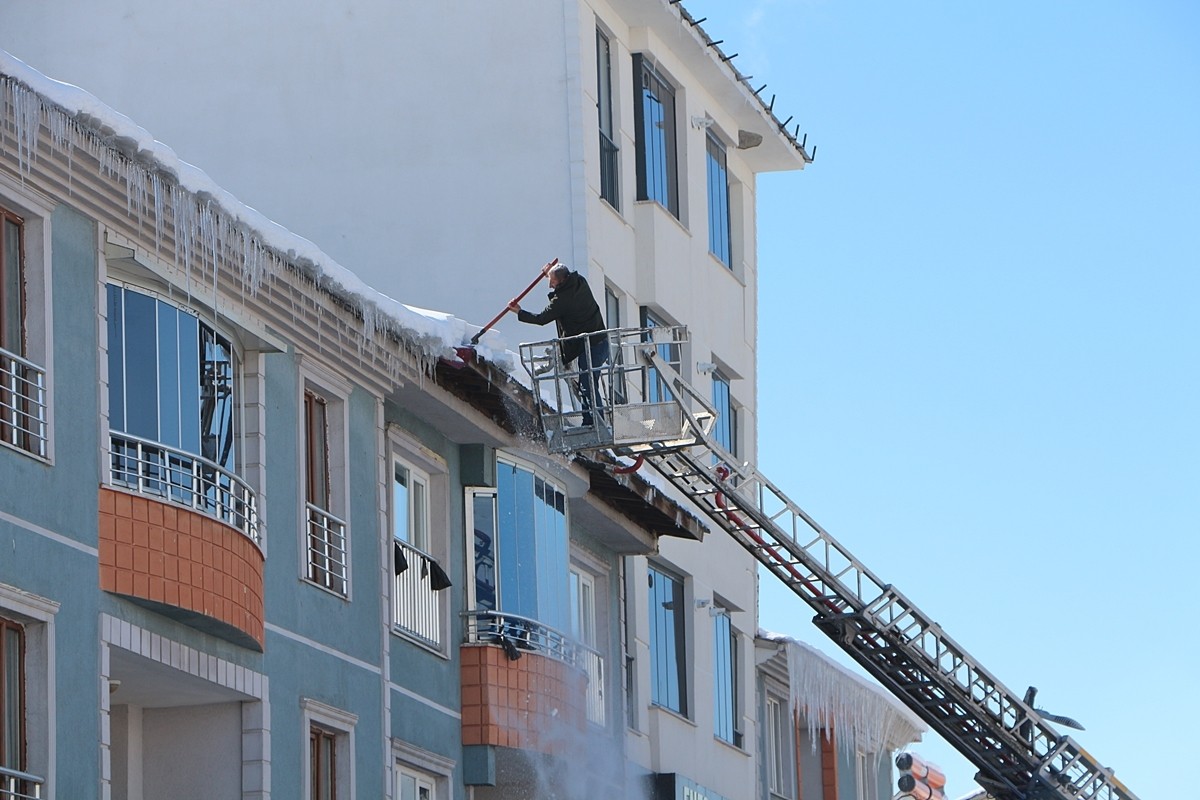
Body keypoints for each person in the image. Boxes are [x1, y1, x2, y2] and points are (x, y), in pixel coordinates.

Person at [508, 264, 609, 426]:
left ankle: (595, 422)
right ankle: (591, 420)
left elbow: (541, 319)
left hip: (593, 347)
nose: (550, 285)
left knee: (587, 383)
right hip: (600, 343)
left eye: (552, 281)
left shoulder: (563, 300)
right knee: (587, 383)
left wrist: (519, 311)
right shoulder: (580, 282)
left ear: (562, 281)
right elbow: (561, 273)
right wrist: (550, 272)